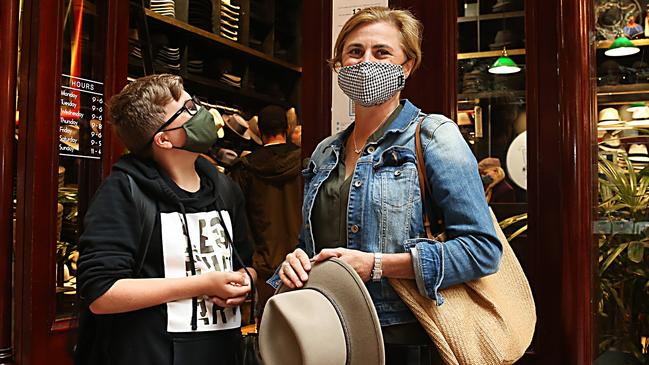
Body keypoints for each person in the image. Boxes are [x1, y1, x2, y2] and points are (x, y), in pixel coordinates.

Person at [273, 7, 502, 365]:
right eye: (354, 51)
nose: (366, 62)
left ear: (406, 65)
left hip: (407, 342)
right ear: (338, 65)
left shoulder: (434, 136)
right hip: (329, 338)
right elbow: (311, 244)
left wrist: (378, 265)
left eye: (381, 52)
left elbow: (482, 250)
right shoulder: (324, 152)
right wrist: (295, 263)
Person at [76, 74, 256, 365]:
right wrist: (201, 284)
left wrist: (245, 282)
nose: (203, 114)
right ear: (163, 139)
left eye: (194, 102)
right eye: (187, 110)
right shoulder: (124, 191)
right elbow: (101, 292)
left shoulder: (224, 188)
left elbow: (245, 264)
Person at [229, 105, 302, 318]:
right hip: (301, 263)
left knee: (268, 331)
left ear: (259, 131)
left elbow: (238, 219)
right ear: (287, 128)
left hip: (262, 265)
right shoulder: (305, 163)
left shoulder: (244, 169)